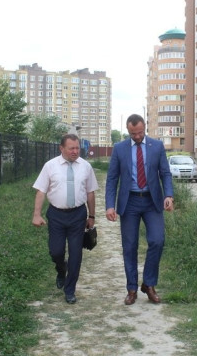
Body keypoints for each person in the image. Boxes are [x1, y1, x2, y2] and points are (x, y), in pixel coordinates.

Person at [105, 114, 174, 305]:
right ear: (128, 131)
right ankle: (132, 289)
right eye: (133, 133)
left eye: (140, 132)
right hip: (130, 202)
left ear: (145, 128)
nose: (137, 136)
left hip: (152, 201)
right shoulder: (119, 148)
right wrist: (110, 205)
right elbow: (112, 178)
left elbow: (165, 173)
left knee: (157, 241)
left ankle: (149, 284)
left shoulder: (157, 146)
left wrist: (169, 195)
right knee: (129, 246)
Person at [32, 134, 98, 304]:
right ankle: (61, 269)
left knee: (76, 254)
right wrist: (37, 214)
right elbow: (41, 191)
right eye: (71, 148)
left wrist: (91, 216)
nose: (75, 151)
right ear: (61, 148)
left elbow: (90, 192)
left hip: (78, 215)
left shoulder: (86, 166)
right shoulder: (50, 166)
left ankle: (70, 290)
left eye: (77, 148)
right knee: (56, 251)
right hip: (56, 215)